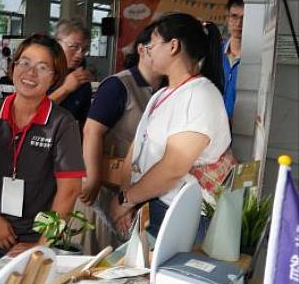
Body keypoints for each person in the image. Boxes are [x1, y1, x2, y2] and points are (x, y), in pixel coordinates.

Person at [0, 34, 84, 267]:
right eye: (24, 62)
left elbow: (70, 190)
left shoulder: (62, 124)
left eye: (42, 67)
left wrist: (43, 244)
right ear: (13, 66)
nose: (30, 73)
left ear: (55, 77)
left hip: (31, 241)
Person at [110, 13, 231, 239]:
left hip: (180, 214)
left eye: (152, 44)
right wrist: (127, 197)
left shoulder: (200, 95)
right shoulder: (162, 94)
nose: (147, 50)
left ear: (173, 46)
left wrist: (126, 200)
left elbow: (173, 168)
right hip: (149, 204)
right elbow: (136, 149)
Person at [77, 24, 163, 252]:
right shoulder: (119, 85)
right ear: (142, 50)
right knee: (100, 251)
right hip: (107, 186)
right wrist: (93, 178)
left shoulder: (167, 89)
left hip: (142, 190)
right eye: (161, 45)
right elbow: (92, 131)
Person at [49, 19, 93, 129]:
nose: (80, 55)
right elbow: (30, 113)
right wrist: (65, 89)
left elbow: (84, 122)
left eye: (84, 50)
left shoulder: (81, 80)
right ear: (57, 44)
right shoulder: (38, 72)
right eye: (74, 47)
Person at [221, 0, 243, 121]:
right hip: (213, 129)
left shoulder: (258, 60)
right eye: (234, 16)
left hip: (244, 129)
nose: (239, 24)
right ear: (227, 18)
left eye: (245, 18)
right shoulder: (215, 54)